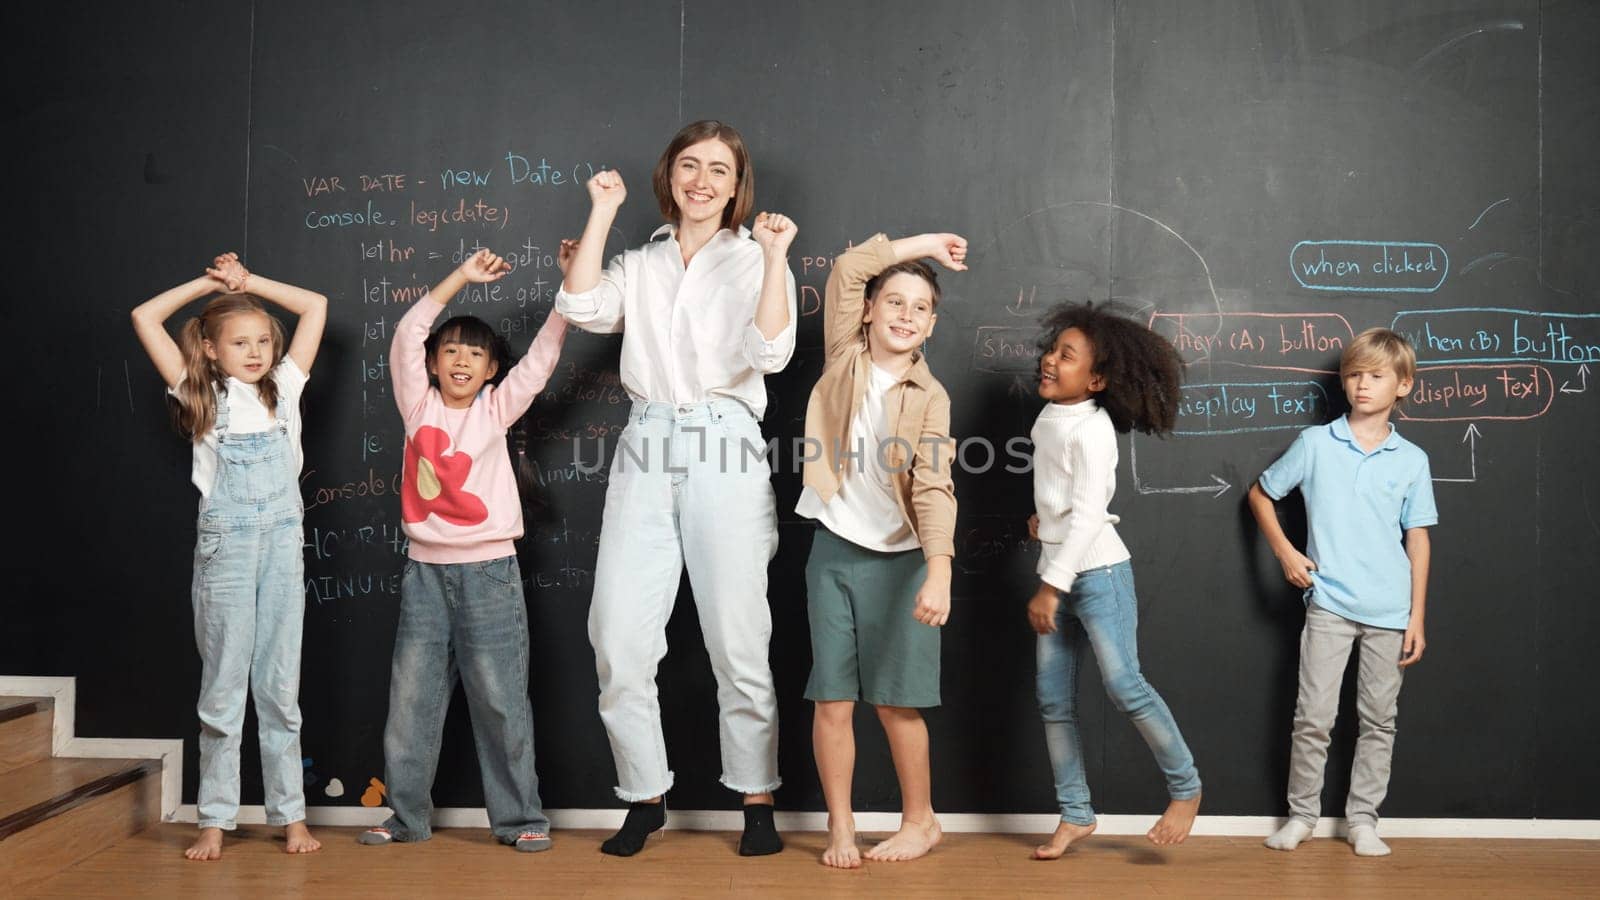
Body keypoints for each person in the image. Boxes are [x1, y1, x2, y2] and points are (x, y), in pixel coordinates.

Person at [555, 119, 797, 857]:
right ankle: (644, 796)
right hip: (647, 439)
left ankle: (757, 800)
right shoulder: (642, 260)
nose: (702, 180)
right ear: (669, 175)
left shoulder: (758, 255)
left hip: (724, 437)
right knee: (617, 635)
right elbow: (583, 307)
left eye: (718, 170)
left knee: (737, 634)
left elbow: (772, 352)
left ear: (736, 185)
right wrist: (600, 210)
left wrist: (778, 255)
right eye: (690, 166)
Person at [358, 249, 567, 852]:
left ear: (491, 369)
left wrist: (566, 296)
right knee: (410, 705)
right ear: (430, 363)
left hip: (489, 572)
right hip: (425, 573)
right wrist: (460, 279)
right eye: (450, 350)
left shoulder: (496, 411)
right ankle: (405, 818)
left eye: (475, 353)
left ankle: (520, 818)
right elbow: (405, 333)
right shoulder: (416, 406)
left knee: (501, 701)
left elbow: (542, 360)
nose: (461, 360)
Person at [130, 252, 327, 860]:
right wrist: (212, 284)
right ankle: (214, 818)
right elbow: (145, 316)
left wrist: (249, 284)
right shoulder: (199, 392)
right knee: (222, 689)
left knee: (279, 689)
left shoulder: (286, 387)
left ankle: (290, 815)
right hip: (230, 547)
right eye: (239, 342)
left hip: (281, 548)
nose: (255, 351)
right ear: (211, 350)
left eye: (263, 340)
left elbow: (315, 306)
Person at [798, 231, 965, 868]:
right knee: (832, 698)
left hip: (904, 562)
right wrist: (924, 245)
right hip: (834, 550)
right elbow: (847, 266)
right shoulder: (843, 356)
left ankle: (921, 821)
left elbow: (933, 486)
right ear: (868, 310)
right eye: (893, 300)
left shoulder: (932, 397)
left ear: (931, 325)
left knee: (898, 702)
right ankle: (840, 828)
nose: (903, 314)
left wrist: (939, 573)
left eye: (919, 307)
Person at [1248, 327, 1436, 858]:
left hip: (1391, 608)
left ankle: (1364, 821)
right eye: (1354, 374)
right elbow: (1261, 495)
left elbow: (1417, 540)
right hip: (1329, 603)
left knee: (1379, 721)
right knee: (1314, 716)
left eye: (1375, 376)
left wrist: (1416, 616)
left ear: (1402, 386)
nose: (1361, 385)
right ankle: (1301, 816)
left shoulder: (1411, 460)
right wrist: (1286, 553)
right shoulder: (1315, 444)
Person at [1024, 302, 1202, 860]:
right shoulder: (1049, 418)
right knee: (1053, 701)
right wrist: (1042, 525)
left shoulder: (1094, 429)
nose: (1051, 360)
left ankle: (1185, 787)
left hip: (1098, 574)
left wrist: (1052, 586)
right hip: (1062, 566)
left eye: (1066, 356)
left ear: (1096, 379)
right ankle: (1075, 814)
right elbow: (1065, 502)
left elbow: (1090, 515)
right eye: (1052, 350)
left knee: (1124, 685)